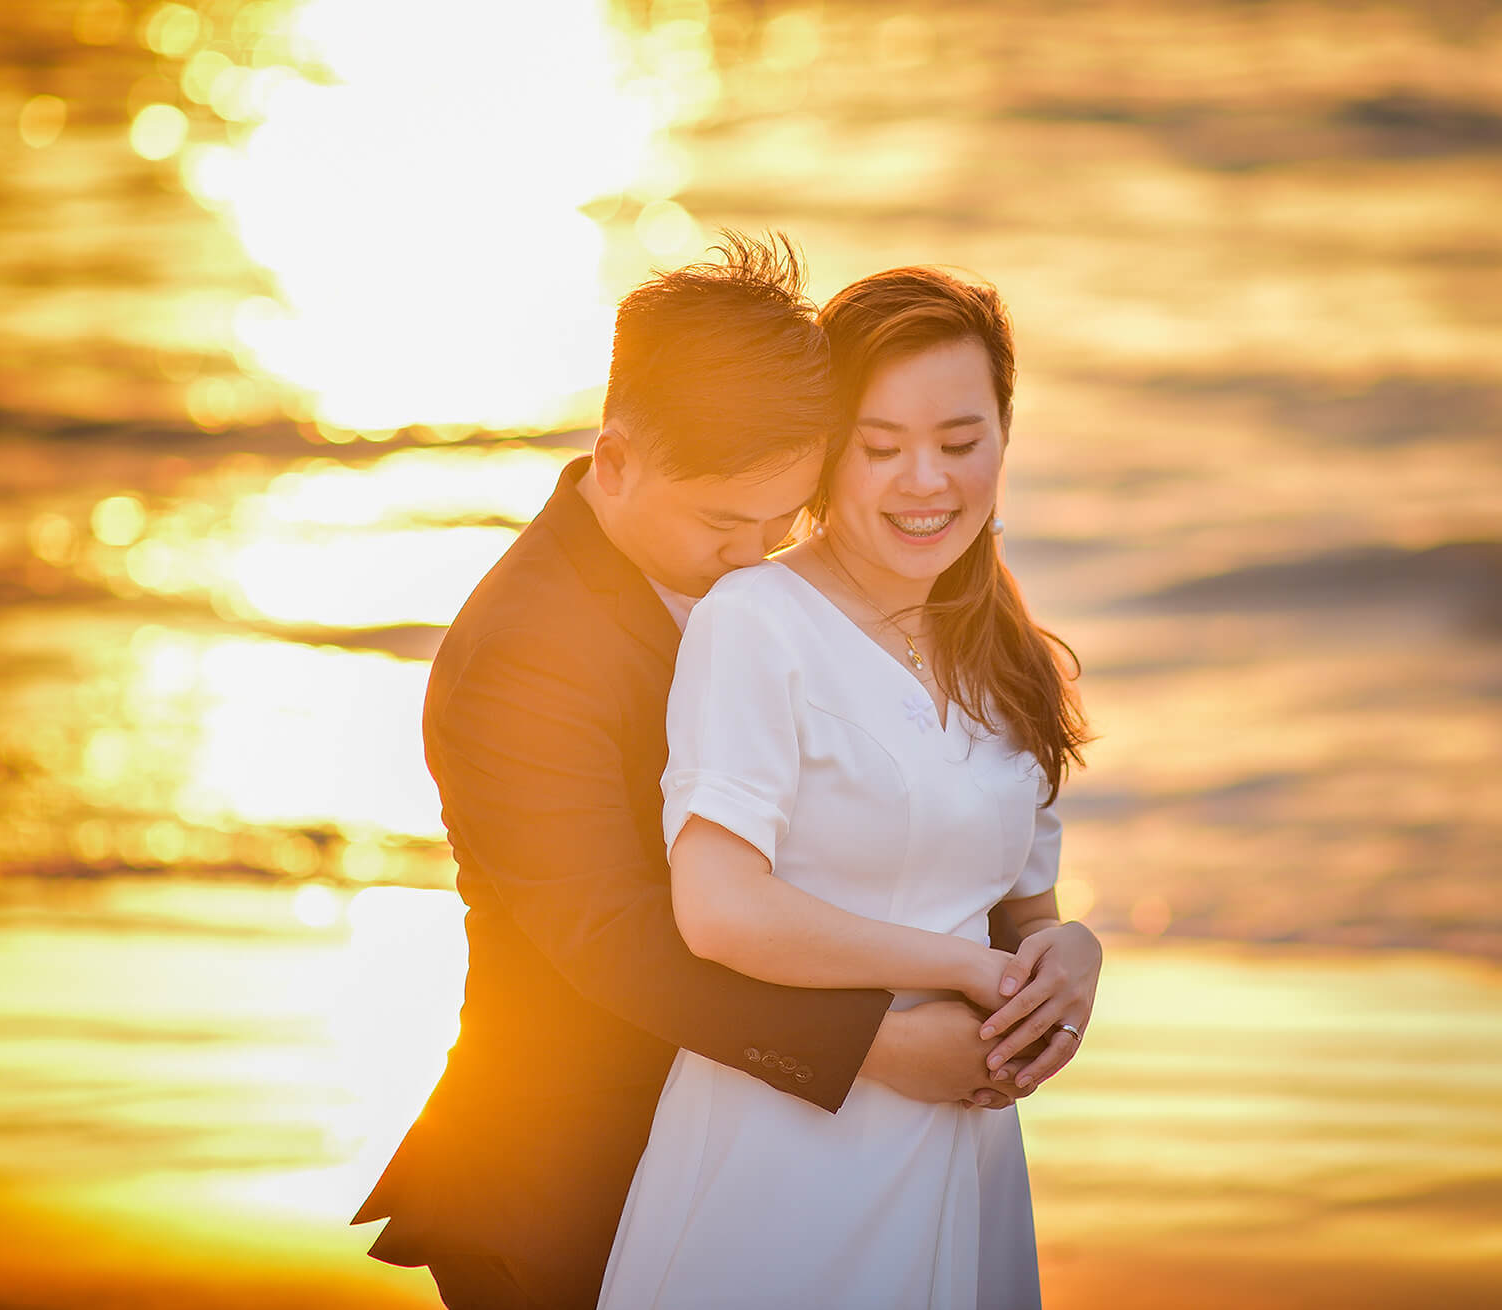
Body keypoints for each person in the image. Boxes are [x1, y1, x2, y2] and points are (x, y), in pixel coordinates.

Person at [350, 235, 1091, 1310]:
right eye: (723, 524)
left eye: (780, 518)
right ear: (614, 461)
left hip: (782, 1135)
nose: (755, 554)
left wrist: (1050, 949)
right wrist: (876, 1045)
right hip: (566, 1169)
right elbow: (621, 938)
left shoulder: (782, 589)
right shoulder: (522, 655)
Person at [598, 265, 1099, 1310]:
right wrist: (955, 972)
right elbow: (720, 908)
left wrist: (1065, 957)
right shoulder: (755, 623)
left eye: (961, 443)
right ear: (826, 453)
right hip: (785, 1156)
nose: (925, 481)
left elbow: (1022, 909)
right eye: (880, 448)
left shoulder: (1005, 653)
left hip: (962, 1152)